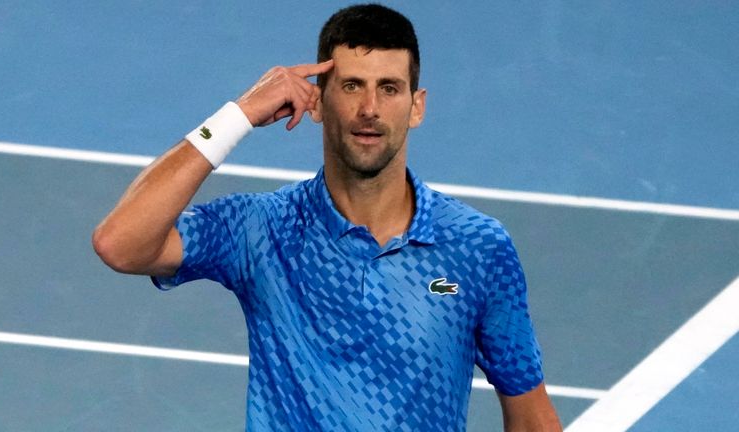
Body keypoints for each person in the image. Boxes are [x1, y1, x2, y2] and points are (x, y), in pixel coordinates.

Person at [92, 4, 562, 431]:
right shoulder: (261, 230)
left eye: (389, 88)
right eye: (352, 85)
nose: (370, 109)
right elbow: (121, 243)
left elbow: (530, 418)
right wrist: (236, 116)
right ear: (316, 100)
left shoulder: (477, 248)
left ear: (416, 107)